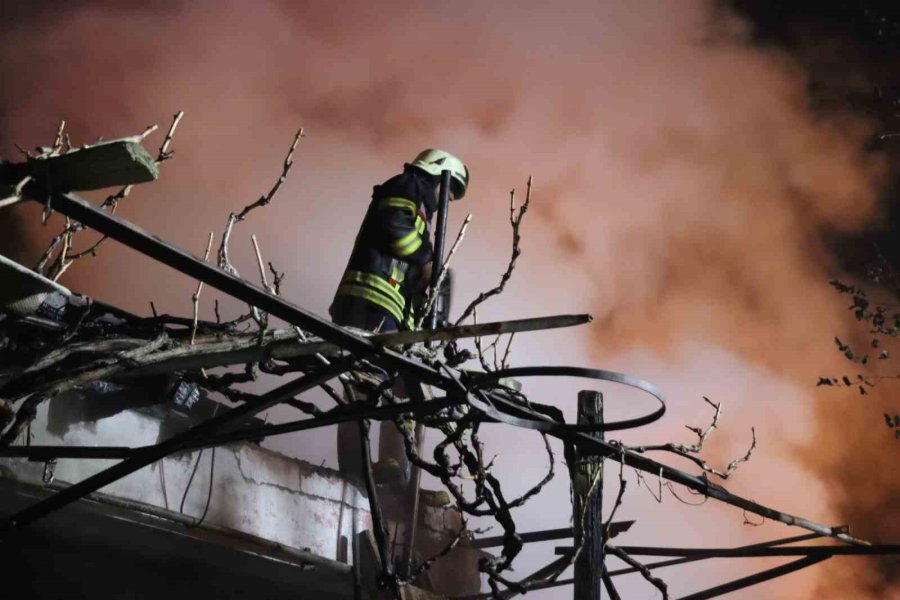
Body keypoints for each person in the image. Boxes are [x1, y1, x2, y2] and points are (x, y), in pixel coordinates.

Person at [329, 149, 469, 485]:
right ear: (437, 172)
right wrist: (426, 259)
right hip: (371, 301)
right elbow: (393, 224)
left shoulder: (419, 203)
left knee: (401, 386)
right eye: (449, 190)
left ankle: (392, 465)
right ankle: (354, 469)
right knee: (365, 383)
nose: (447, 200)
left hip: (387, 309)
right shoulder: (410, 185)